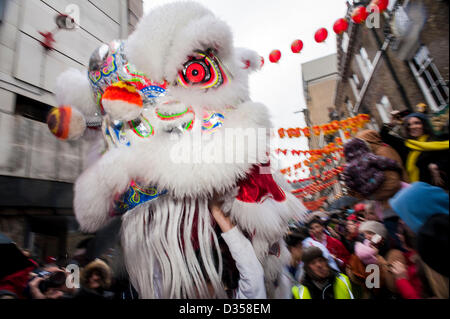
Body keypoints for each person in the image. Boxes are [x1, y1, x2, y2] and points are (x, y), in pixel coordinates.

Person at [381, 113, 449, 189]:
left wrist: (437, 165)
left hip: (441, 189)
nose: (412, 127)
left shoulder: (437, 140)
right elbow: (384, 135)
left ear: (424, 124)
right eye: (409, 125)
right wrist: (391, 123)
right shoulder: (406, 145)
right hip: (420, 190)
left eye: (417, 123)